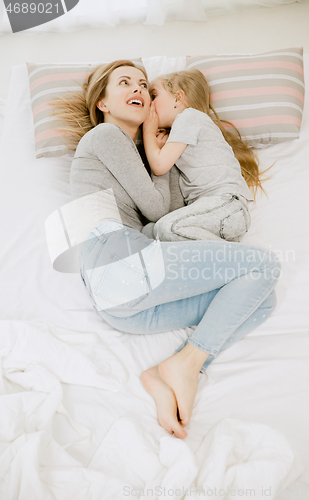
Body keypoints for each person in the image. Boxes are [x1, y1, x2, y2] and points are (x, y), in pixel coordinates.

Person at [51, 60, 281, 440]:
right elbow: (160, 211)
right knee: (265, 265)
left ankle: (170, 370)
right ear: (103, 104)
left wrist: (156, 140)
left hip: (125, 308)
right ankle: (189, 365)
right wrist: (148, 130)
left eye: (143, 84)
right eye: (125, 83)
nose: (139, 89)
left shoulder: (144, 157)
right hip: (121, 264)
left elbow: (170, 210)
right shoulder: (104, 138)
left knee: (262, 301)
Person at [143, 69, 264, 242]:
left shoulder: (189, 117)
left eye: (154, 96)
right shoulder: (179, 137)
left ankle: (245, 257)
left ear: (178, 98)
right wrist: (159, 147)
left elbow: (159, 166)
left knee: (166, 228)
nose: (149, 104)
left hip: (226, 206)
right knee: (149, 232)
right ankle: (228, 257)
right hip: (210, 217)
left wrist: (148, 131)